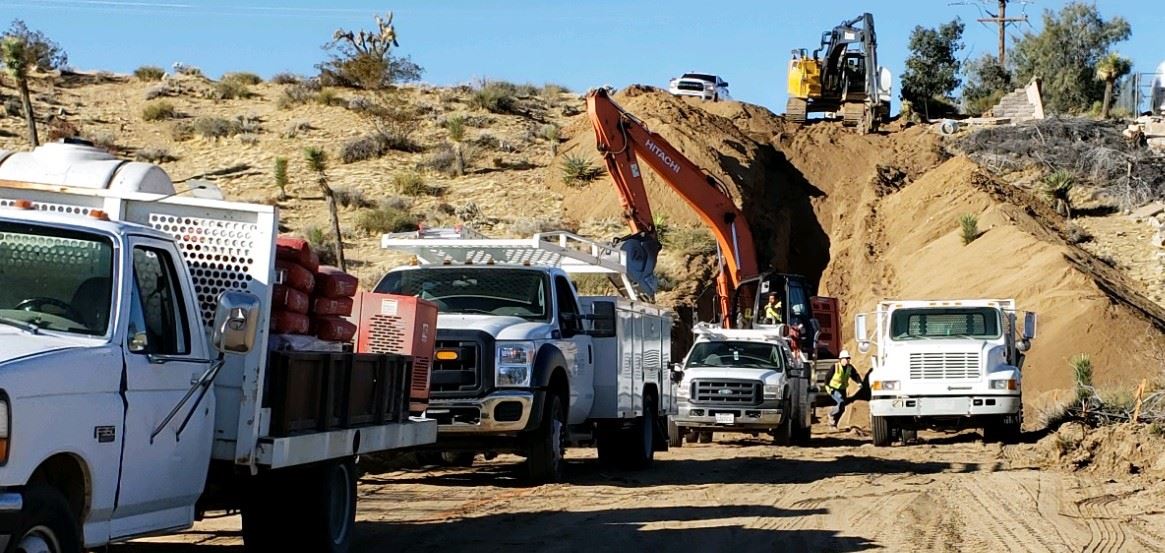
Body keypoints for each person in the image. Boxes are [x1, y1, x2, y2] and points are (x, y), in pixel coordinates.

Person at [825, 350, 863, 428]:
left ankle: (834, 424)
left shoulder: (849, 367)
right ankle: (831, 414)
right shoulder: (835, 367)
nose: (847, 360)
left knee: (842, 409)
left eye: (848, 358)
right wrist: (827, 387)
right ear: (841, 359)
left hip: (843, 389)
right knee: (841, 402)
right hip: (834, 389)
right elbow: (827, 377)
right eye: (846, 358)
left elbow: (855, 375)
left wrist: (859, 382)